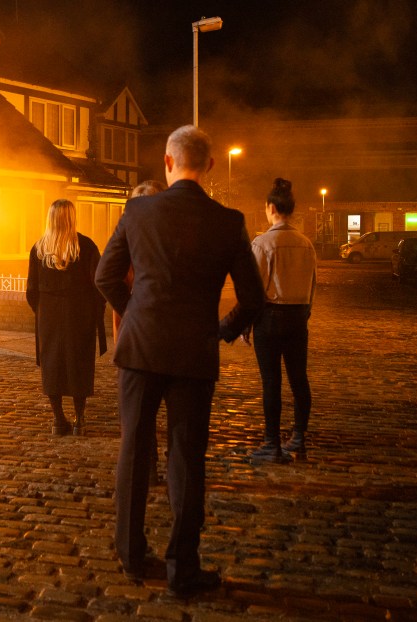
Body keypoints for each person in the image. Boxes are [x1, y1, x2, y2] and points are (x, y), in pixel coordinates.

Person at [95, 125, 264, 599]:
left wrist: (134, 315)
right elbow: (253, 299)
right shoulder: (228, 222)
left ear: (168, 163)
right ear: (209, 165)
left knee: (134, 450)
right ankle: (182, 568)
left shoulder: (138, 210)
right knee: (187, 458)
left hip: (141, 348)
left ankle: (131, 554)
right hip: (193, 352)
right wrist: (220, 330)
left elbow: (105, 276)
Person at [244, 178, 318, 464]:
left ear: (271, 208)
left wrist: (247, 323)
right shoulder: (306, 244)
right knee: (299, 379)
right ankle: (299, 436)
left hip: (270, 318)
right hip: (298, 317)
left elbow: (254, 289)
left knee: (271, 382)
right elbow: (313, 285)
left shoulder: (263, 243)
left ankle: (271, 443)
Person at [26, 199, 107, 436]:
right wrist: (94, 312)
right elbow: (99, 285)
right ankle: (79, 419)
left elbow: (31, 291)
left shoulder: (39, 249)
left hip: (49, 316)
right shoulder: (87, 247)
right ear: (72, 217)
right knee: (78, 365)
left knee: (52, 367)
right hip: (79, 316)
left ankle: (57, 419)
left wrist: (42, 312)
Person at [113, 180, 167, 486]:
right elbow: (110, 286)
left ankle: (154, 468)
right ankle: (147, 465)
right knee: (136, 414)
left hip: (157, 338)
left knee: (140, 413)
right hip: (137, 340)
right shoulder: (127, 246)